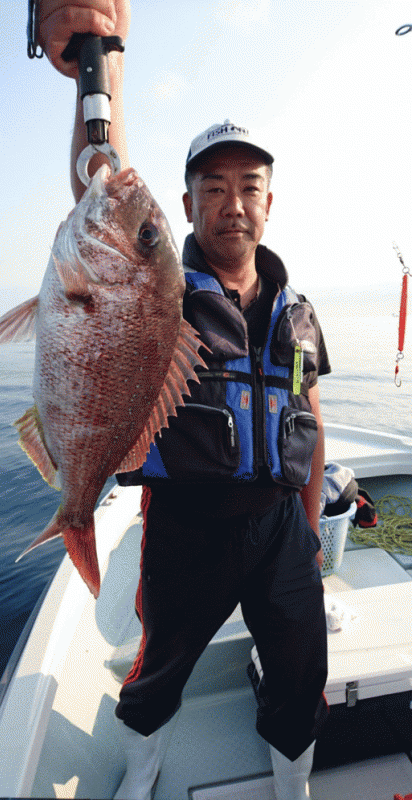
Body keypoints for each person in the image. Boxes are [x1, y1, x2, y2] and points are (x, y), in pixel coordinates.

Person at [37, 3, 330, 799]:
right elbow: (102, 178)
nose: (233, 203)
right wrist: (106, 61)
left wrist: (305, 531)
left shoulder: (297, 310)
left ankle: (292, 778)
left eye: (249, 187)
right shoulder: (162, 290)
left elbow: (310, 421)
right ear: (190, 200)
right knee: (158, 666)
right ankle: (145, 765)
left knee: (304, 665)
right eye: (214, 187)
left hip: (279, 530)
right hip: (186, 527)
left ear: (269, 202)